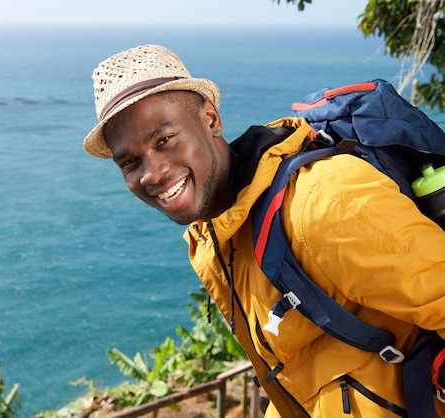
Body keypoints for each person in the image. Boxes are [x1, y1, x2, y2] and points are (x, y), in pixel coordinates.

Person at [82, 44, 445, 417]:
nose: (152, 173)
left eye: (164, 140)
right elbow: (301, 369)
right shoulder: (220, 237)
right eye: (129, 162)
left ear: (210, 119)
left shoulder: (322, 203)